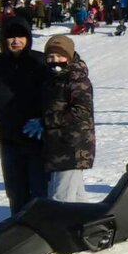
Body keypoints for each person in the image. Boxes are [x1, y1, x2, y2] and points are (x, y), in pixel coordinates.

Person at [0, 17, 48, 213]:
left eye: (21, 36)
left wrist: (46, 121)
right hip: (9, 141)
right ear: (2, 39)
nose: (16, 41)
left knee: (41, 192)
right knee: (16, 193)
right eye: (10, 37)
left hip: (38, 141)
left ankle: (42, 234)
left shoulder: (40, 62)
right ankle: (19, 235)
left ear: (28, 38)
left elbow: (56, 97)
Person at [39, 35, 95, 203]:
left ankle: (59, 227)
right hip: (58, 145)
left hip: (72, 146)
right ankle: (88, 223)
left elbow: (81, 111)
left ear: (69, 57)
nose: (55, 61)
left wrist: (46, 122)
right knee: (76, 196)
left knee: (61, 197)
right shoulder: (52, 79)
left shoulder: (76, 79)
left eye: (60, 56)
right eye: (50, 57)